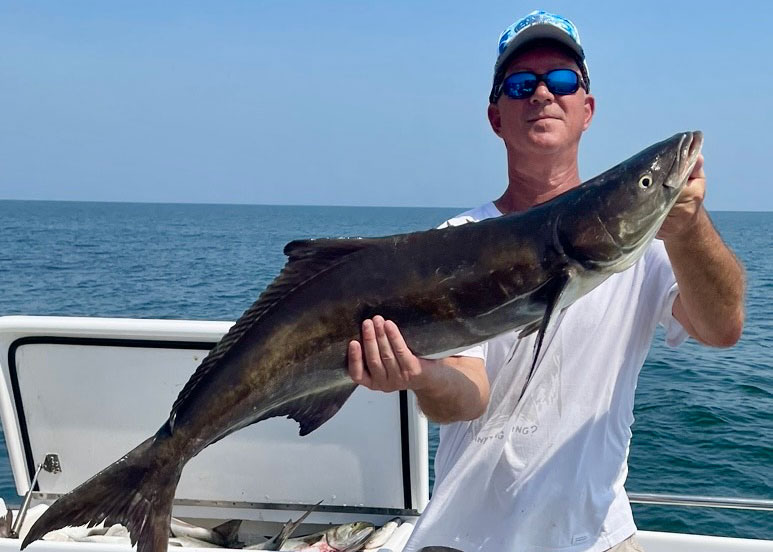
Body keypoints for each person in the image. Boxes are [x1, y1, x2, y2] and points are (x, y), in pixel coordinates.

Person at [347, 10, 745, 552]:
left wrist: (690, 227)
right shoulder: (457, 243)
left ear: (587, 110)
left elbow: (721, 329)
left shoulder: (652, 243)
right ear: (496, 117)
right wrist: (420, 376)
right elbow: (467, 395)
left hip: (595, 538)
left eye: (561, 80)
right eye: (520, 84)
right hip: (465, 539)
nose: (542, 94)